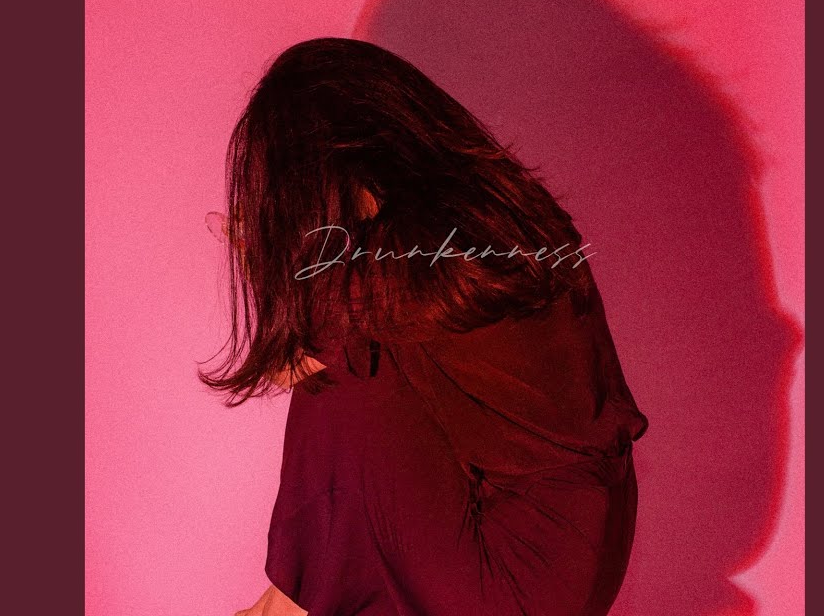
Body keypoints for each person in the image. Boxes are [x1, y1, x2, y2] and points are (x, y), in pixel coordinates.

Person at [201, 38, 648, 616]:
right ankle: (290, 598)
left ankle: (289, 605)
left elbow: (296, 364)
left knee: (347, 382)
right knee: (363, 359)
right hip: (583, 543)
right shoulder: (493, 211)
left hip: (521, 575)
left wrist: (259, 247)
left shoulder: (398, 268)